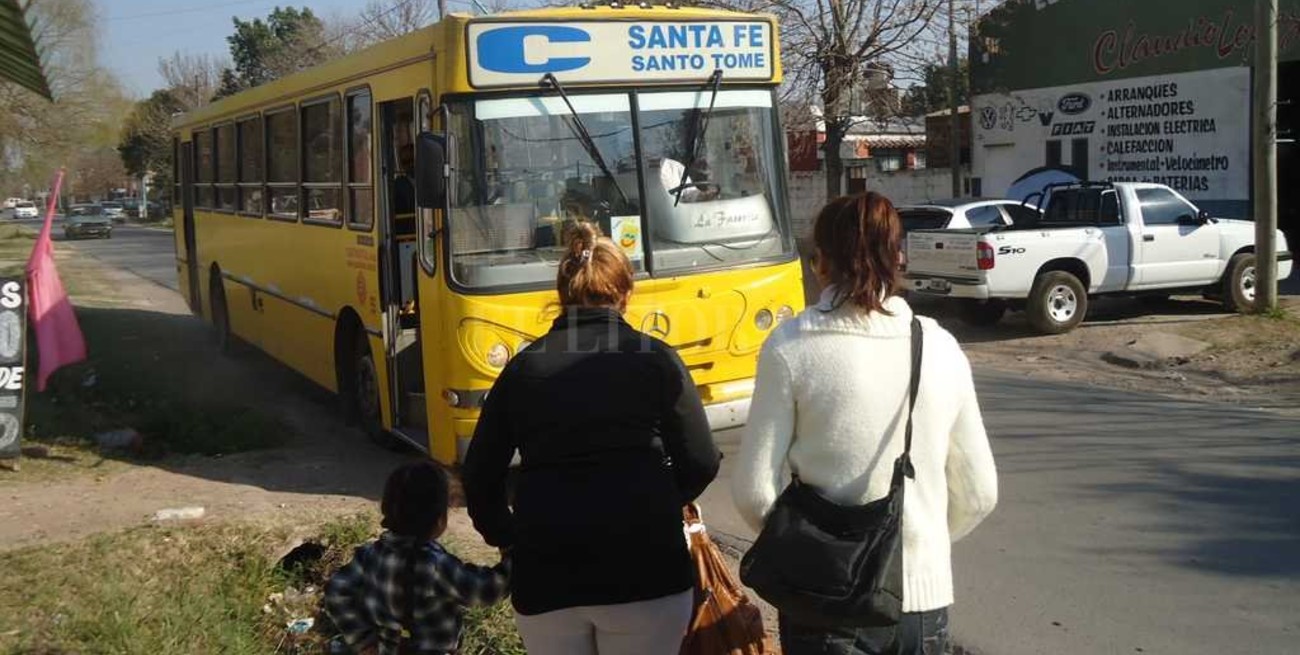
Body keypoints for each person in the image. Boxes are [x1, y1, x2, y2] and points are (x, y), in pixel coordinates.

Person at [732, 192, 999, 655]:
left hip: (824, 602)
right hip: (921, 605)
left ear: (821, 263)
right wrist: (914, 550)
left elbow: (754, 493)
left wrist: (808, 555)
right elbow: (980, 494)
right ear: (898, 257)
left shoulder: (791, 346)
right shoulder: (940, 347)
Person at [461, 221, 721, 655]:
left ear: (561, 295)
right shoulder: (657, 361)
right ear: (626, 294)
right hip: (647, 571)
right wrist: (656, 502)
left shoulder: (523, 369)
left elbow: (479, 475)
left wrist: (509, 537)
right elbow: (701, 461)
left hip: (547, 574)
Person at [323, 461, 512, 655]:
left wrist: (362, 641)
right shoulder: (436, 567)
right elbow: (487, 590)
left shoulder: (369, 556)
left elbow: (335, 590)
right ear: (439, 520)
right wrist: (511, 559)